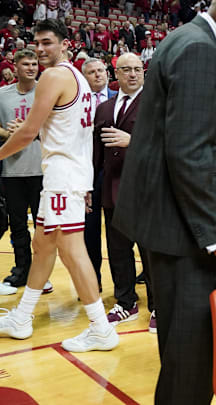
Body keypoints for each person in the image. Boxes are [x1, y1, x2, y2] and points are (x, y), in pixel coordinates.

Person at [112, 0, 216, 402]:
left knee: (182, 355)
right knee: (192, 362)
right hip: (184, 233)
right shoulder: (198, 49)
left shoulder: (185, 39)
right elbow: (188, 150)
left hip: (170, 223)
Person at [0, 18, 118, 352]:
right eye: (36, 43)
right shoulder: (78, 77)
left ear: (65, 43)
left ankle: (100, 328)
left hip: (63, 177)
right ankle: (22, 318)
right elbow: (49, 127)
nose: (40, 49)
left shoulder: (53, 76)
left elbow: (27, 133)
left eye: (47, 42)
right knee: (43, 245)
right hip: (67, 173)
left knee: (72, 251)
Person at [92, 53, 155, 331]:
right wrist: (88, 185)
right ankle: (126, 301)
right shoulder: (104, 108)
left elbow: (168, 145)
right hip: (111, 189)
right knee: (118, 250)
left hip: (147, 190)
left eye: (137, 69)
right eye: (126, 69)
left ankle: (159, 306)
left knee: (151, 253)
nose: (132, 74)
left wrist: (135, 141)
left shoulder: (157, 104)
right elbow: (96, 153)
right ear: (115, 73)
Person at [0, 50, 48, 294]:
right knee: (17, 224)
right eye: (25, 64)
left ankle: (42, 275)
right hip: (12, 170)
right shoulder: (2, 95)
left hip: (42, 169)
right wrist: (9, 135)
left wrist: (28, 131)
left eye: (34, 63)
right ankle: (21, 271)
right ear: (15, 67)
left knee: (43, 227)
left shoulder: (46, 92)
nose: (31, 67)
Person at [82, 56, 117, 290]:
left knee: (119, 233)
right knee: (89, 232)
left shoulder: (120, 99)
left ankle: (123, 284)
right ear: (84, 77)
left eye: (101, 70)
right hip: (86, 173)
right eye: (92, 72)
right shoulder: (78, 101)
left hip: (114, 172)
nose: (98, 74)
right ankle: (93, 281)